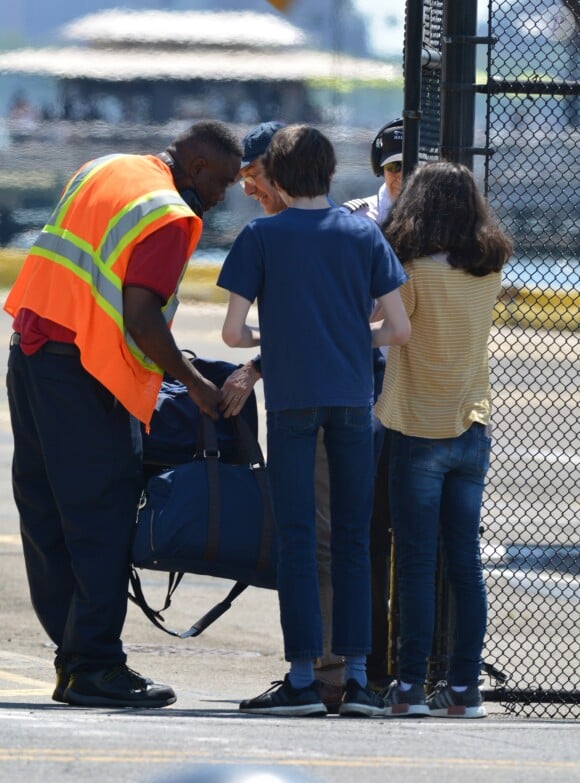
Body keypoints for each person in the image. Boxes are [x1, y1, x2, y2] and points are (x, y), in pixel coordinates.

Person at [4, 120, 242, 708]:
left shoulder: (105, 167)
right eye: (224, 183)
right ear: (200, 168)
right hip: (88, 374)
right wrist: (193, 384)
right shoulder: (172, 215)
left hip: (30, 356)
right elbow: (140, 313)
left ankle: (75, 653)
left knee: (47, 513)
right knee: (104, 519)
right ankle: (94, 666)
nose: (223, 197)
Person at [218, 124, 411, 717]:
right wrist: (353, 337)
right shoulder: (362, 234)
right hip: (354, 399)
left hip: (294, 401)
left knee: (298, 539)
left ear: (274, 176)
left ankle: (303, 676)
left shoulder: (261, 236)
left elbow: (232, 332)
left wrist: (276, 336)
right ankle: (356, 678)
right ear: (331, 173)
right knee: (356, 540)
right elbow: (398, 330)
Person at [376, 161, 512, 718]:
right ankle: (463, 688)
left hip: (415, 424)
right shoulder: (489, 270)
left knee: (413, 562)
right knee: (464, 565)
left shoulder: (409, 269)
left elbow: (392, 335)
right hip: (470, 424)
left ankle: (409, 686)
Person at [221, 120, 347, 712]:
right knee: (323, 536)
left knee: (315, 536)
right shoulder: (334, 228)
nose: (246, 189)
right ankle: (341, 667)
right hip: (333, 394)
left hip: (323, 399)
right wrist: (259, 365)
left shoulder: (287, 234)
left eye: (252, 176)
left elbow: (321, 325)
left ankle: (324, 671)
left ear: (279, 169)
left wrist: (256, 362)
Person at [341, 117, 404, 687]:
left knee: (407, 524)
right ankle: (370, 662)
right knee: (366, 523)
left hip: (410, 377)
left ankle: (406, 661)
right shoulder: (360, 218)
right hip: (368, 372)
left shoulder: (439, 222)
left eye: (411, 169)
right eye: (393, 168)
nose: (402, 178)